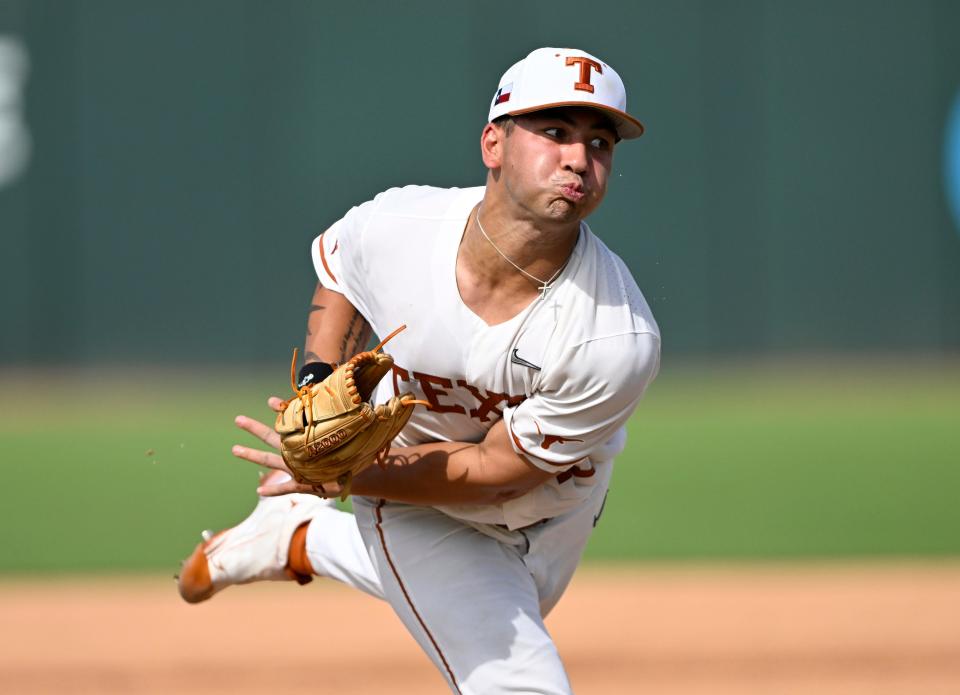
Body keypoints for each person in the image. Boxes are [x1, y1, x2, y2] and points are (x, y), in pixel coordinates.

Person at [178, 46, 660, 695]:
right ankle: (311, 529)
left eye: (600, 142)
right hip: (412, 495)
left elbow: (496, 472)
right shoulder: (402, 227)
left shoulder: (614, 333)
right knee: (522, 680)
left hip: (559, 504)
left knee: (500, 600)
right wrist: (320, 384)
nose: (579, 157)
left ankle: (303, 533)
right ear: (493, 143)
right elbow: (342, 269)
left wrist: (335, 473)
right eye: (555, 132)